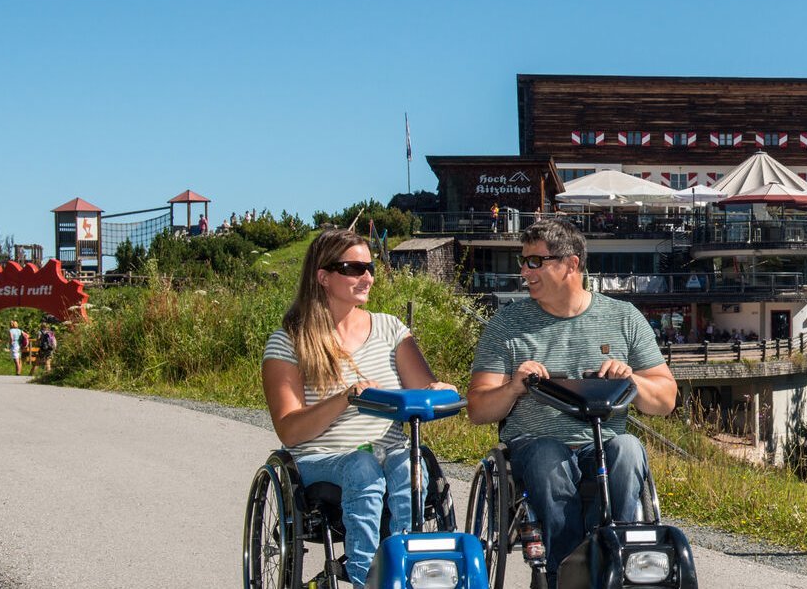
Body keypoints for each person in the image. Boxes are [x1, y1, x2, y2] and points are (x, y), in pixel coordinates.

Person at [468, 220, 677, 587]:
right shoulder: (506, 324)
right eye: (523, 261)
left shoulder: (624, 318)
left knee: (628, 448)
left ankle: (609, 559)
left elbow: (665, 399)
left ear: (571, 264)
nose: (524, 271)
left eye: (535, 261)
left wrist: (632, 380)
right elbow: (478, 409)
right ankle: (565, 572)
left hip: (603, 441)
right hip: (535, 444)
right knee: (549, 455)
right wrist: (515, 386)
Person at [261, 229, 456, 588]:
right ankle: (366, 576)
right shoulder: (289, 340)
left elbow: (424, 389)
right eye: (353, 268)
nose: (366, 276)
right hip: (323, 457)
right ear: (323, 276)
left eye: (370, 267)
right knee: (363, 466)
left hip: (389, 450)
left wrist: (439, 389)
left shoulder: (391, 329)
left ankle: (405, 569)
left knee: (408, 462)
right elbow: (289, 429)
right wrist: (345, 398)